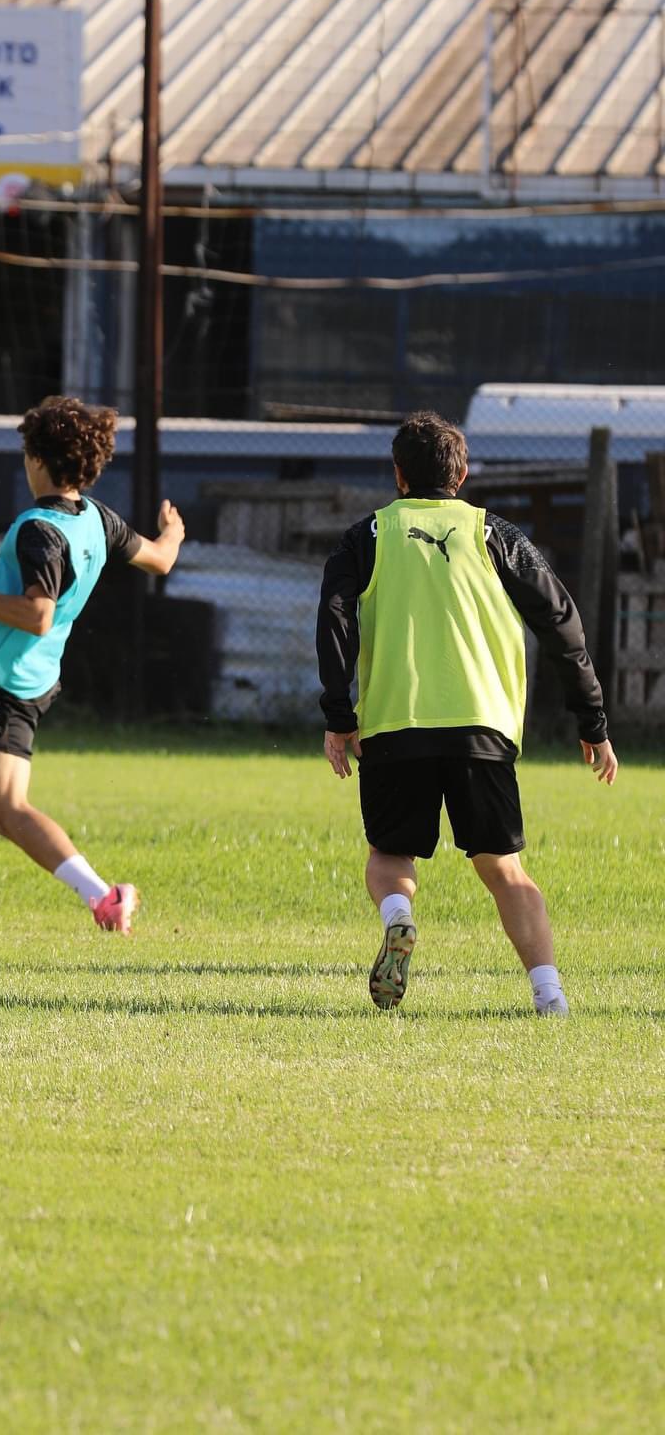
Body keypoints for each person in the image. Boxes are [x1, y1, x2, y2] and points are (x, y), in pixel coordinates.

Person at [317, 409, 618, 1016]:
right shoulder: (495, 535)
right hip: (483, 724)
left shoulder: (366, 537)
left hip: (397, 723)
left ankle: (399, 918)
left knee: (390, 855)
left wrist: (339, 713)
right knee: (503, 867)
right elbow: (561, 623)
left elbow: (334, 619)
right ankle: (549, 995)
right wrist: (592, 721)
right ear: (463, 474)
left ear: (398, 474)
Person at [0, 396, 183, 934]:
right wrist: (173, 532)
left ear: (38, 460)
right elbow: (159, 558)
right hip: (14, 673)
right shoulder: (97, 518)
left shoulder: (38, 530)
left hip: (7, 683)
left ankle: (104, 895)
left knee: (5, 810)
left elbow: (36, 614)